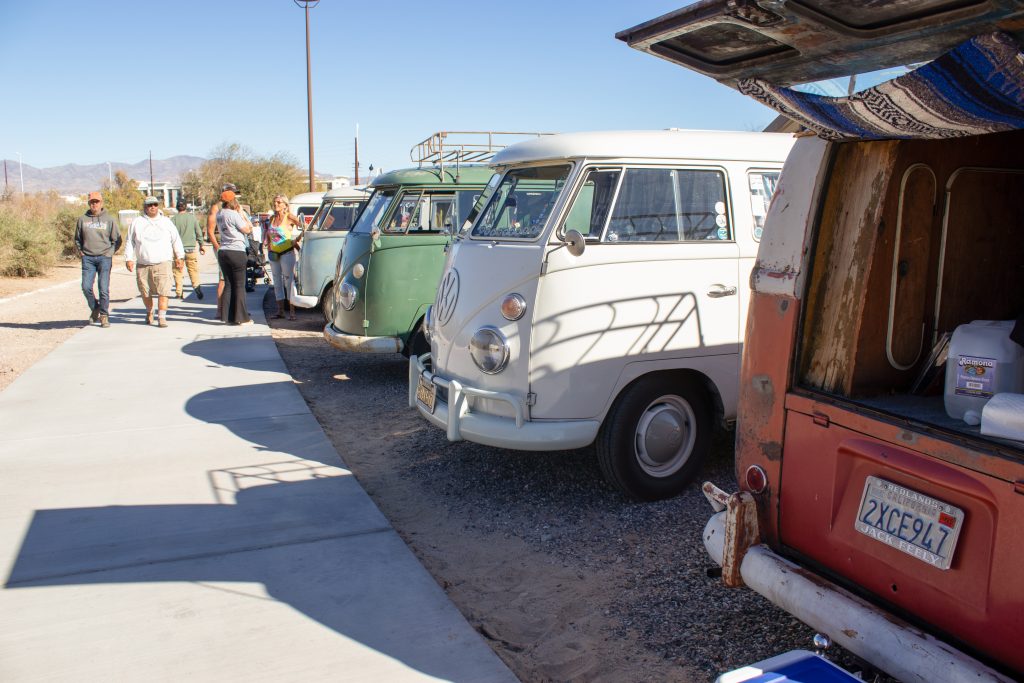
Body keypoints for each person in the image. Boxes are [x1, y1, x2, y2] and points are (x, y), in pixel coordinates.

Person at [125, 196, 184, 328]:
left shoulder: (166, 222)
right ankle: (149, 311)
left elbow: (176, 240)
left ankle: (162, 317)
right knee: (145, 292)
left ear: (158, 206)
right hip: (143, 263)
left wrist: (179, 256)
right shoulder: (137, 222)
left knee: (164, 291)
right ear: (145, 207)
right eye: (149, 205)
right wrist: (129, 258)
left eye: (155, 204)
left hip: (163, 262)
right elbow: (130, 241)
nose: (152, 207)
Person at [74, 191, 122, 328]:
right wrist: (81, 252)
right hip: (88, 258)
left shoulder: (109, 219)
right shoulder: (82, 219)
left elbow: (117, 240)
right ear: (89, 203)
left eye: (97, 202)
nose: (94, 204)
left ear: (101, 203)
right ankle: (95, 307)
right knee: (86, 286)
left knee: (103, 288)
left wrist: (110, 253)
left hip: (104, 258)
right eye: (92, 202)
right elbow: (77, 239)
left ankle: (104, 315)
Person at [216, 190, 254, 325]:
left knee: (228, 284)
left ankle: (228, 316)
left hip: (223, 250)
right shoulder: (233, 214)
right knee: (239, 285)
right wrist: (242, 215)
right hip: (236, 251)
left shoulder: (219, 214)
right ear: (233, 200)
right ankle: (242, 318)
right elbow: (247, 229)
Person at [264, 194, 303, 320]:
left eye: (279, 202)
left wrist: (295, 240)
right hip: (274, 254)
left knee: (289, 282)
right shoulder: (272, 219)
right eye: (275, 202)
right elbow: (269, 234)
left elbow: (305, 228)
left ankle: (292, 311)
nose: (276, 205)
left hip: (287, 253)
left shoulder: (289, 217)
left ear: (285, 205)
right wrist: (269, 246)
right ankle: (280, 311)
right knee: (276, 282)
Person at [207, 182, 238, 318]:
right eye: (231, 192)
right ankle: (220, 311)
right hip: (223, 246)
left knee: (236, 279)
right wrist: (218, 248)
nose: (233, 195)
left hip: (235, 246)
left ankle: (236, 310)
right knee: (223, 278)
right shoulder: (216, 208)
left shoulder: (235, 207)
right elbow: (210, 231)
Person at [170, 199, 205, 299]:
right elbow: (198, 232)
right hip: (190, 249)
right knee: (193, 270)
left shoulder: (173, 220)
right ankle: (196, 287)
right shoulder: (192, 218)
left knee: (177, 271)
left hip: (177, 251)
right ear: (186, 207)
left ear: (177, 207)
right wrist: (201, 244)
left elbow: (169, 235)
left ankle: (179, 292)